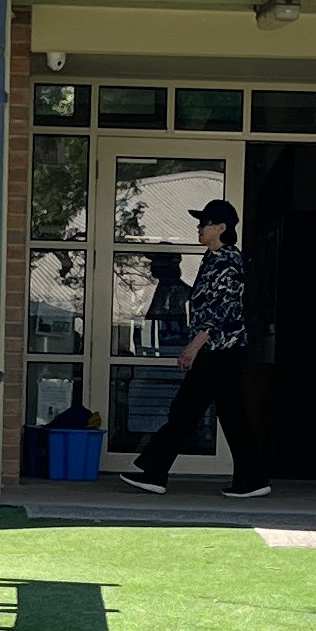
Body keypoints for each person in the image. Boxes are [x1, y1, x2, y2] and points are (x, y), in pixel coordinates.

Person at [129, 198, 268, 499]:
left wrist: (193, 347)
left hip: (220, 351)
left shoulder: (227, 260)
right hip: (218, 351)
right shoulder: (214, 258)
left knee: (199, 412)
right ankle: (157, 472)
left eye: (204, 224)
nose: (199, 228)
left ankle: (156, 472)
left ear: (221, 227)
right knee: (206, 413)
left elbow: (221, 309)